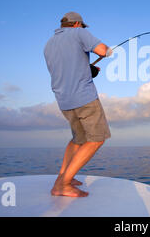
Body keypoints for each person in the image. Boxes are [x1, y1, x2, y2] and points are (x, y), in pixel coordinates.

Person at [44, 11, 112, 197]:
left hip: (64, 100)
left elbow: (66, 70)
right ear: (76, 24)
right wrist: (108, 50)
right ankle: (62, 185)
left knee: (78, 139)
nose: (82, 29)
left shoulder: (49, 44)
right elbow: (102, 50)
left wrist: (88, 69)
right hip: (84, 98)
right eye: (82, 26)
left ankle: (63, 177)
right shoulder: (79, 33)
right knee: (96, 138)